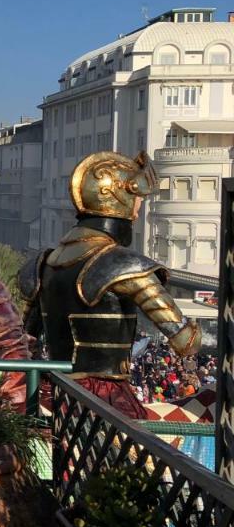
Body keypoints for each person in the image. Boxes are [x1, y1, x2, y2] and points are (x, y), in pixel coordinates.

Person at [20, 151, 199, 417]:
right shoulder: (125, 264)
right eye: (136, 201)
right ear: (118, 199)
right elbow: (186, 342)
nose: (137, 213)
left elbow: (27, 339)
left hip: (55, 392)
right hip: (104, 399)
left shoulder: (44, 261)